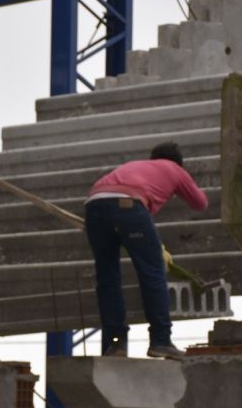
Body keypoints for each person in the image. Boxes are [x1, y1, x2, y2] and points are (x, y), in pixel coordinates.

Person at [84, 142, 209, 361]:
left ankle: (116, 344)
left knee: (108, 277)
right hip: (128, 205)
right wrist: (182, 186)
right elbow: (200, 203)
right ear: (178, 162)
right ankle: (161, 341)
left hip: (94, 205)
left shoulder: (135, 165)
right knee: (152, 272)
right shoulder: (175, 170)